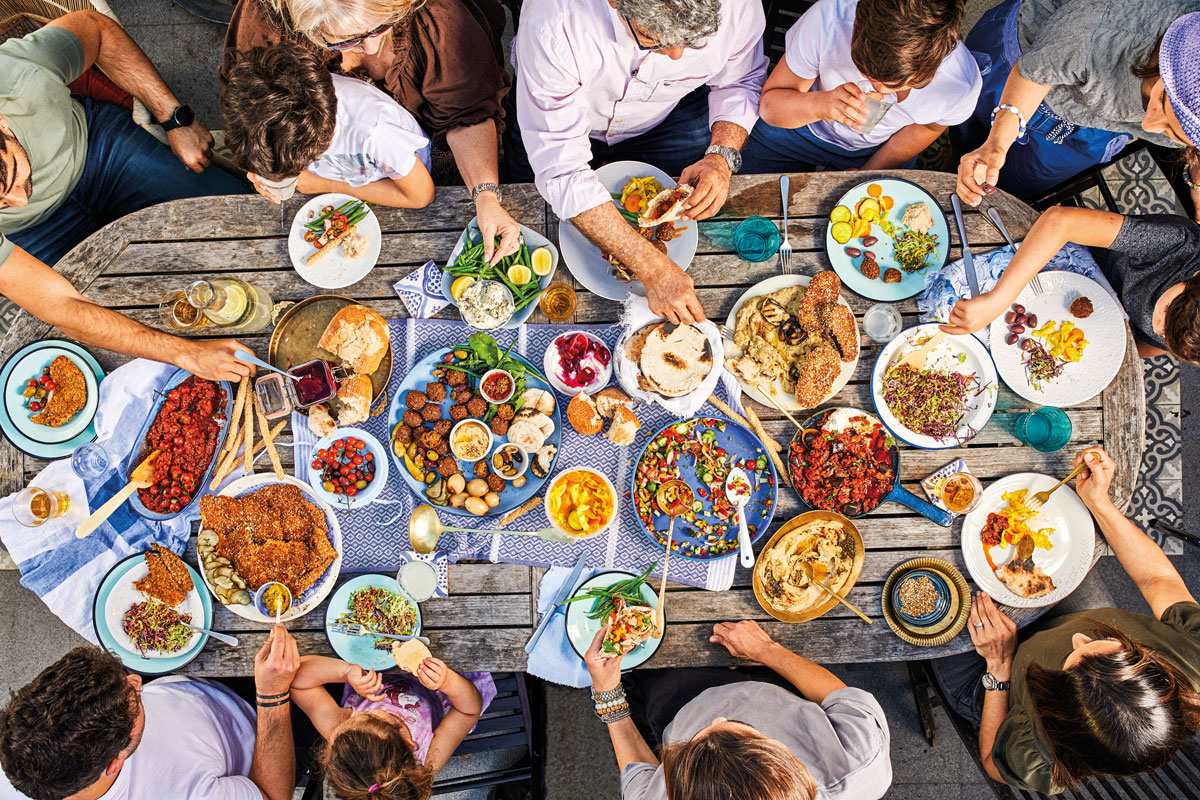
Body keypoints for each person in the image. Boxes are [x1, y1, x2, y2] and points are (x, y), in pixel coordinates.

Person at [0, 11, 254, 383]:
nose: (20, 201)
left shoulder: (17, 73)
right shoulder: (20, 208)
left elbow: (98, 32)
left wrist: (174, 118)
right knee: (120, 337)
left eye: (13, 180)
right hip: (34, 234)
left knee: (238, 218)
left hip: (97, 150)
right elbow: (61, 305)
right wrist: (186, 354)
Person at [933, 446, 1200, 794]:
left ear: (1054, 711)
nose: (1079, 639)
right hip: (1070, 615)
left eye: (1076, 660)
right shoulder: (1193, 656)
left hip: (994, 683)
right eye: (1117, 648)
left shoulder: (1044, 759)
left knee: (936, 617)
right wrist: (1099, 503)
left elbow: (990, 759)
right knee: (1070, 561)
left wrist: (999, 666)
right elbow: (1159, 581)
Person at [505, 0, 768, 324]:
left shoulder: (738, 6)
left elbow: (740, 80)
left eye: (696, 40)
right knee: (526, 221)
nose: (676, 56)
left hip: (669, 116)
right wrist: (652, 267)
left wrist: (721, 156)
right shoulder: (555, 16)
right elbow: (562, 169)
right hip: (553, 121)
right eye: (653, 39)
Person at [221, 0, 522, 266]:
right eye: (343, 40)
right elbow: (250, 111)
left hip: (411, 152)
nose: (372, 47)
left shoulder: (438, 17)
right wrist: (265, 166)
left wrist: (485, 196)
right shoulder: (265, 26)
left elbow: (466, 113)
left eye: (382, 26)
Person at [585, 620, 892, 800]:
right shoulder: (863, 760)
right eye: (747, 734)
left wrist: (608, 694)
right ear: (786, 759)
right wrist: (764, 648)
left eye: (695, 745)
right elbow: (839, 697)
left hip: (679, 700)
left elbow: (640, 773)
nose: (717, 719)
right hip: (779, 687)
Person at [953, 1, 1200, 217]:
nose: (1147, 126)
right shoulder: (1101, 31)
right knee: (967, 131)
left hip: (1088, 131)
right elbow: (1033, 74)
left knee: (1011, 186)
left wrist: (1197, 178)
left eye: (1173, 134)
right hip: (1022, 66)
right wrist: (996, 143)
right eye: (1159, 102)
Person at [0, 625, 301, 800]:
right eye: (135, 699)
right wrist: (273, 695)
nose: (136, 680)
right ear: (113, 765)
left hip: (195, 685)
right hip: (267, 723)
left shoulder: (17, 751)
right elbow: (274, 795)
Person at [741, 0, 981, 173]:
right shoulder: (829, 18)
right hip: (796, 129)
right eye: (865, 70)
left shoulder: (960, 85)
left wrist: (866, 172)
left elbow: (929, 127)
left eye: (901, 85)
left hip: (879, 149)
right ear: (856, 25)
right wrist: (821, 105)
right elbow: (771, 106)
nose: (878, 91)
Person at [939, 206, 1200, 361]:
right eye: (1167, 310)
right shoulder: (1178, 243)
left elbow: (1153, 344)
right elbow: (1060, 221)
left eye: (1166, 333)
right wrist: (998, 301)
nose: (1157, 326)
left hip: (1103, 328)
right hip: (1088, 263)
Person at [221, 43, 435, 209]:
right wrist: (260, 171)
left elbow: (421, 196)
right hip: (336, 175)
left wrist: (324, 186)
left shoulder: (374, 132)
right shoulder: (289, 121)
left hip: (392, 182)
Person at [289, 650, 494, 799]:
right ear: (408, 741)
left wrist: (346, 672)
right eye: (379, 719)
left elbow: (298, 681)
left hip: (372, 657)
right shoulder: (428, 758)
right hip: (437, 680)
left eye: (367, 717)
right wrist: (448, 681)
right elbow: (468, 711)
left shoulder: (342, 733)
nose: (378, 710)